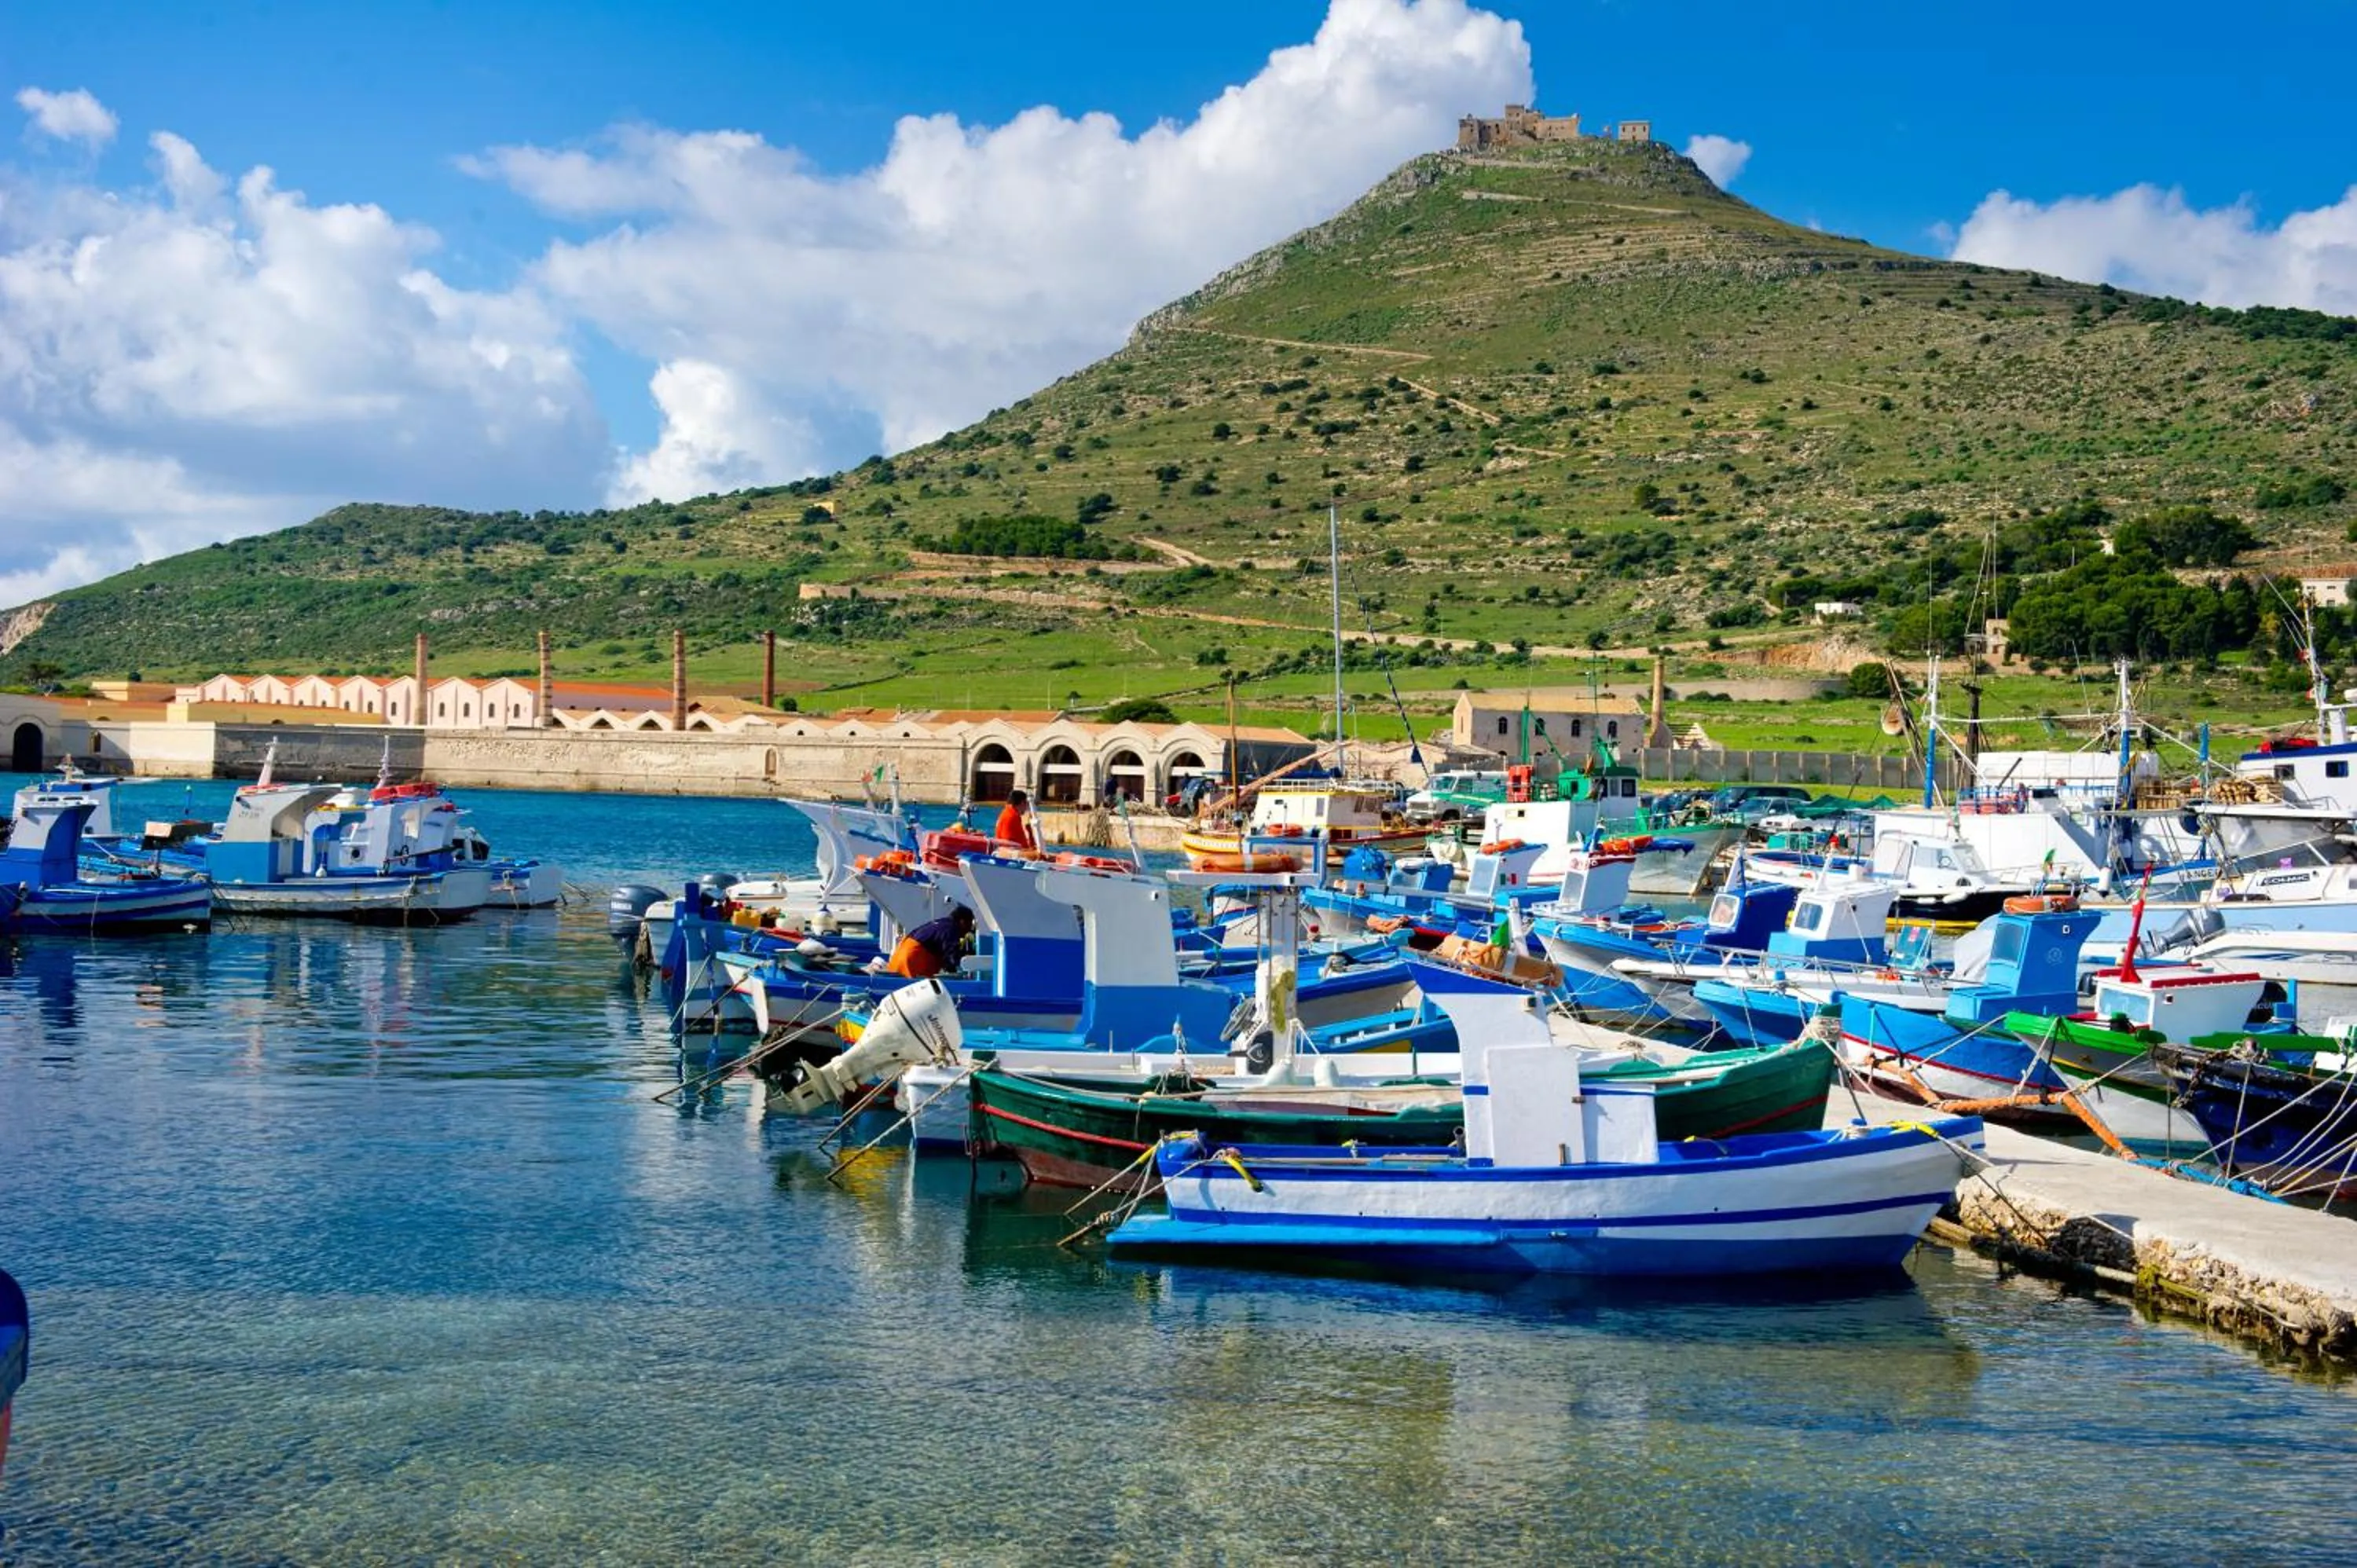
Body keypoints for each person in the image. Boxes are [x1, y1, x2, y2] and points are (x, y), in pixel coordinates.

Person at [888, 906, 974, 979]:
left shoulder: (940, 923)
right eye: (969, 925)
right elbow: (951, 956)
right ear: (963, 922)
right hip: (912, 961)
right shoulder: (952, 928)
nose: (968, 930)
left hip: (899, 957)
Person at [994, 788, 1036, 853]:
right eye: (1026, 804)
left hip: (1007, 852)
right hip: (1013, 855)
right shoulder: (1012, 817)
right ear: (1022, 803)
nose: (1027, 808)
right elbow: (1009, 845)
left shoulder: (1007, 813)